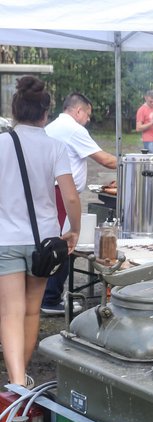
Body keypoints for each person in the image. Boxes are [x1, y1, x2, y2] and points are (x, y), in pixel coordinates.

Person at [0, 75, 81, 387]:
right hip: (44, 241)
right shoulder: (55, 146)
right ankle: (24, 375)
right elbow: (71, 196)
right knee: (32, 311)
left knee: (10, 312)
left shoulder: (3, 142)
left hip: (5, 239)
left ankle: (17, 380)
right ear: (46, 114)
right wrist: (72, 230)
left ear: (15, 110)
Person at [41, 92, 118, 316]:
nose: (88, 119)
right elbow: (105, 159)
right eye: (88, 114)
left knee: (51, 241)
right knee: (64, 243)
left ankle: (47, 294)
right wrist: (130, 161)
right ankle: (50, 298)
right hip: (60, 193)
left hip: (50, 190)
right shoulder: (73, 128)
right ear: (78, 111)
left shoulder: (55, 125)